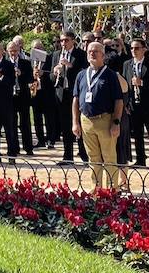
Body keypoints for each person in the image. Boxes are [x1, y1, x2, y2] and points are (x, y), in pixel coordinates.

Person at [73, 40, 125, 190]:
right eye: (90, 51)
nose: (92, 54)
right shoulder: (82, 74)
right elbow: (76, 99)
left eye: (96, 51)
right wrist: (75, 122)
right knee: (93, 158)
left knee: (109, 158)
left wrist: (116, 123)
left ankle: (111, 190)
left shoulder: (110, 75)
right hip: (86, 120)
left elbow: (119, 101)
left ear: (103, 55)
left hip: (105, 120)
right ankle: (95, 190)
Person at [122, 37, 149, 167]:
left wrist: (143, 83)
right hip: (133, 104)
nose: (134, 51)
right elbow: (124, 85)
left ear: (144, 49)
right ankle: (140, 159)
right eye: (132, 48)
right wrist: (125, 103)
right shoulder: (127, 64)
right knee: (137, 134)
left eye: (137, 48)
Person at [50, 29, 85, 166]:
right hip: (62, 93)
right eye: (61, 40)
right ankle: (68, 156)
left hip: (75, 94)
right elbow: (51, 78)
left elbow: (82, 74)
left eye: (66, 40)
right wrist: (55, 72)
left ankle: (84, 154)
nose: (63, 43)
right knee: (65, 126)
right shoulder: (56, 55)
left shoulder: (80, 55)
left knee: (79, 124)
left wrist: (69, 66)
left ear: (73, 41)